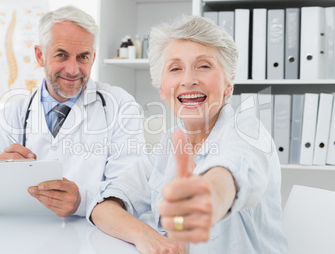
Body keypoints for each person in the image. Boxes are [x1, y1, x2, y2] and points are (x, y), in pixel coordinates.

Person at [87, 15, 289, 253]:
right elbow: (103, 203)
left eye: (204, 66)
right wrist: (144, 235)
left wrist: (204, 199)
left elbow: (231, 172)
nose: (189, 80)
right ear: (162, 88)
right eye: (175, 68)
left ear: (228, 84)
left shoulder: (247, 131)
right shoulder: (170, 144)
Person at [0, 5, 145, 217]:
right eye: (62, 55)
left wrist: (82, 200)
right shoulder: (12, 115)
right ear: (40, 55)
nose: (73, 69)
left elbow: (134, 190)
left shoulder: (120, 106)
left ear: (93, 58)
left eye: (83, 57)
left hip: (93, 241)